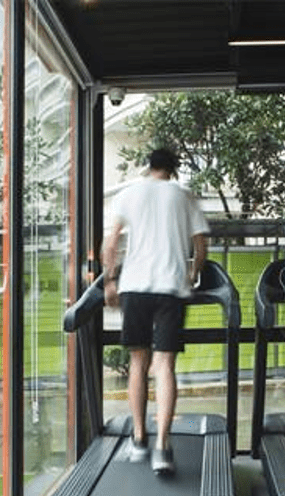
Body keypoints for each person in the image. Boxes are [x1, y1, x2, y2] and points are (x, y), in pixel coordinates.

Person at [101, 148, 210, 474]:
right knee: (164, 366)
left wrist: (109, 281)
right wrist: (192, 274)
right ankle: (162, 445)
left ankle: (138, 439)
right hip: (170, 287)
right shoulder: (184, 196)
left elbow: (111, 242)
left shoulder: (129, 193)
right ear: (173, 170)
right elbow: (201, 246)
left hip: (134, 286)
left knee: (138, 362)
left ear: (149, 166)